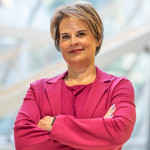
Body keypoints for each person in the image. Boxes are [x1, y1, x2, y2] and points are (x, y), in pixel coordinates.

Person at [13, 1, 136, 150]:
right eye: (65, 37)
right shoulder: (38, 90)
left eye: (81, 34)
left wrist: (55, 125)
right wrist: (99, 140)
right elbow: (23, 142)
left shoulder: (119, 87)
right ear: (59, 44)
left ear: (97, 39)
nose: (73, 42)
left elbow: (119, 132)